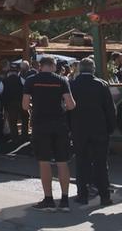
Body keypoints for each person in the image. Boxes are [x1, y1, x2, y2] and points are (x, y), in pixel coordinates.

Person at [22, 56, 76, 212]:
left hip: (40, 124)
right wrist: (62, 108)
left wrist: (33, 106)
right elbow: (71, 104)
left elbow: (25, 105)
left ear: (40, 66)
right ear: (53, 66)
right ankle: (65, 200)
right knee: (62, 161)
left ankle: (48, 199)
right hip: (59, 124)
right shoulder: (62, 80)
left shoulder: (31, 80)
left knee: (44, 162)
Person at [68, 58, 115, 206]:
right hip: (99, 129)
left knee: (82, 162)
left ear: (80, 69)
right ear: (93, 69)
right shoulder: (101, 85)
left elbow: (68, 109)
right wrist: (110, 128)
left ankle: (82, 195)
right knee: (101, 163)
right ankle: (105, 196)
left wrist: (70, 128)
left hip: (79, 129)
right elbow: (110, 109)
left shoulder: (72, 85)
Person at [0, 65, 28, 143]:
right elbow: (26, 89)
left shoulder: (4, 81)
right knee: (25, 119)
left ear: (9, 73)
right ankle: (24, 136)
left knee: (12, 122)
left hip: (10, 104)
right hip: (21, 102)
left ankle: (15, 138)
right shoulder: (21, 79)